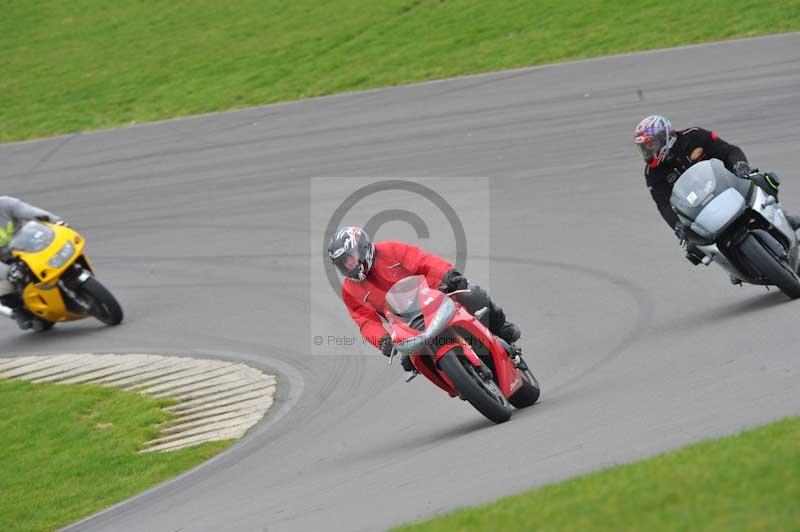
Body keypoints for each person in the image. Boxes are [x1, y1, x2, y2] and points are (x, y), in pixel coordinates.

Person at [327, 226, 520, 372]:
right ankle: (459, 381)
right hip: (408, 324)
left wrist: (448, 274)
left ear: (363, 248)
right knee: (410, 362)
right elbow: (365, 321)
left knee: (473, 295)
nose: (348, 265)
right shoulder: (349, 290)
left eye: (350, 258)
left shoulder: (390, 249)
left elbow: (423, 261)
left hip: (436, 295)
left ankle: (502, 330)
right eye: (343, 263)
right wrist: (382, 340)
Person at [634, 115, 800, 264]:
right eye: (644, 147)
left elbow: (729, 151)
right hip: (697, 207)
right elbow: (663, 204)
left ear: (665, 136)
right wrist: (676, 225)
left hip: (727, 184)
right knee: (692, 248)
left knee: (763, 180)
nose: (648, 150)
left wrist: (740, 165)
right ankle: (731, 263)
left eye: (651, 144)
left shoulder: (694, 136)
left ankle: (783, 216)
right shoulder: (652, 173)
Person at [0, 196, 64, 330]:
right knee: (4, 290)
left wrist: (56, 221)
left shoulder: (5, 203)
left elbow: (32, 212)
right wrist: (6, 271)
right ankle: (19, 310)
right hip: (5, 262)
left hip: (28, 245)